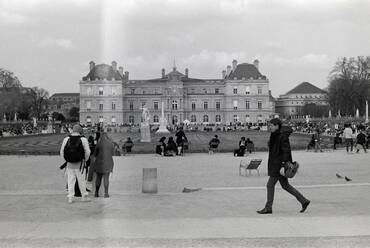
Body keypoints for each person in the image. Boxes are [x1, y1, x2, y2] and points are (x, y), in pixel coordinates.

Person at [257, 118, 310, 214]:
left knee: (270, 185)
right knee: (285, 185)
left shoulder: (282, 136)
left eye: (271, 125)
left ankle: (268, 207)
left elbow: (286, 151)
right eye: (269, 125)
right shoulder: (274, 135)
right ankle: (304, 201)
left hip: (278, 165)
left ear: (277, 126)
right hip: (275, 164)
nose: (269, 127)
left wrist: (282, 165)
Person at [60, 124, 91, 204]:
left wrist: (67, 160)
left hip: (69, 164)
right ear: (80, 131)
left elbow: (62, 152)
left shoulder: (66, 139)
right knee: (82, 180)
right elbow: (88, 152)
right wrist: (85, 160)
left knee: (70, 180)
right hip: (80, 164)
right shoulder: (83, 139)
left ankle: (70, 197)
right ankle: (84, 196)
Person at [89, 132, 114, 198]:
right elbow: (112, 153)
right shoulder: (110, 144)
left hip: (99, 163)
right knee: (106, 178)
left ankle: (96, 193)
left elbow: (94, 154)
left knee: (98, 178)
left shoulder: (99, 144)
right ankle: (106, 193)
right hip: (108, 162)